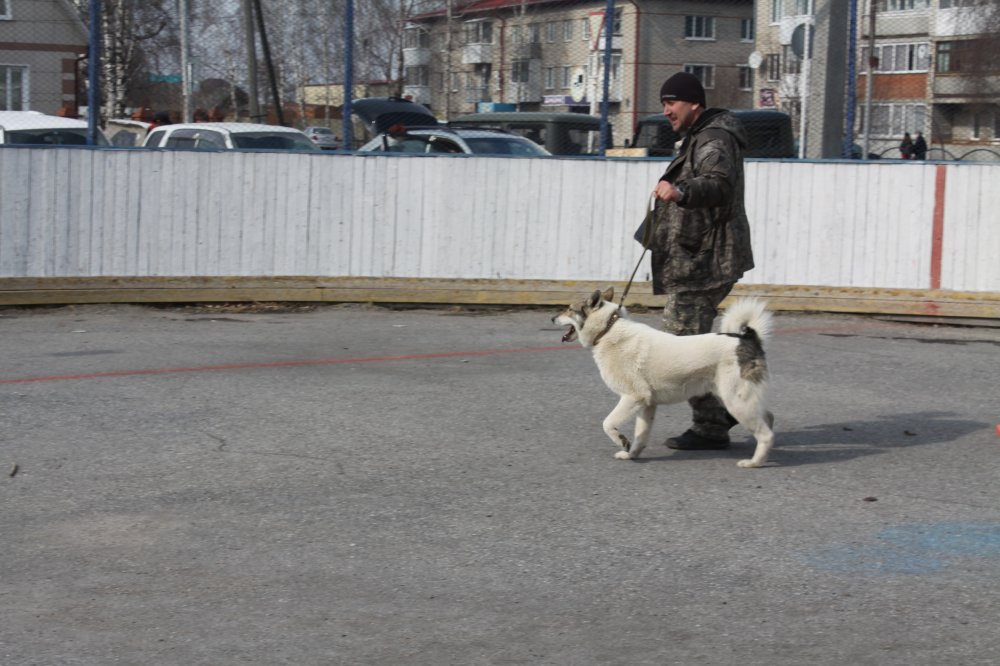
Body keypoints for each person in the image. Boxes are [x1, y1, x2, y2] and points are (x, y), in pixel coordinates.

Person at [648, 72, 755, 451]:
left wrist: (680, 191)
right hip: (699, 257)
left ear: (694, 103)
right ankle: (727, 412)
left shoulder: (713, 138)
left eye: (671, 102)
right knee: (688, 346)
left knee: (681, 348)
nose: (666, 110)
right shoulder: (700, 135)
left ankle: (718, 419)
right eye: (663, 103)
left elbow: (718, 183)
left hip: (707, 260)